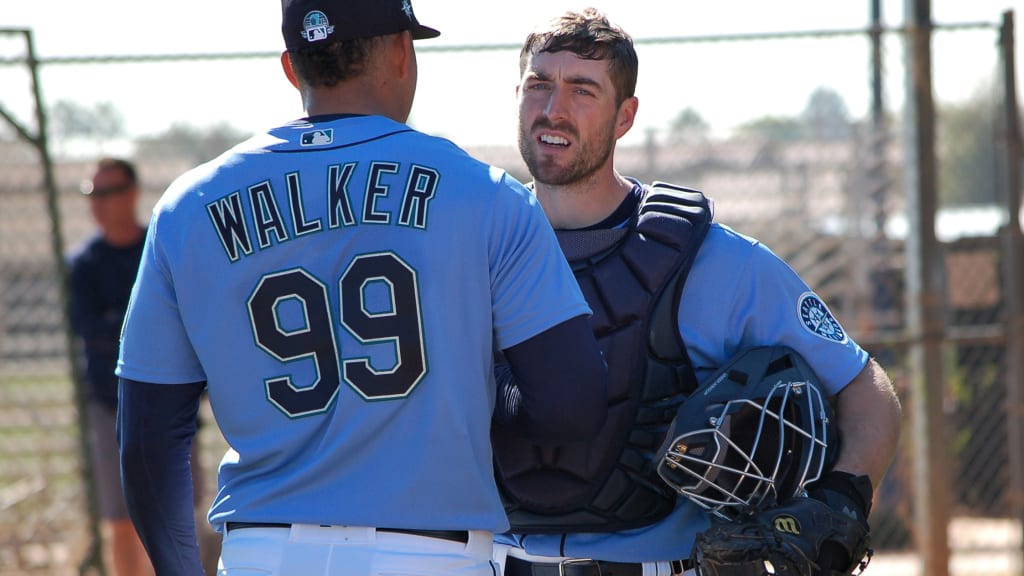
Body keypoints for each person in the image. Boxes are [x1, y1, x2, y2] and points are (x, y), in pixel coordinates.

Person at [114, 1, 609, 575]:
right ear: (401, 51)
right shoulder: (486, 194)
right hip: (430, 554)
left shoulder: (188, 206)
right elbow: (571, 404)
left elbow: (149, 439)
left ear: (291, 66)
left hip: (263, 555)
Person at [491, 8, 903, 576]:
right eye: (539, 85)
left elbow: (864, 386)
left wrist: (841, 501)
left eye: (583, 90)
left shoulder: (710, 260)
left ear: (625, 117)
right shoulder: (473, 248)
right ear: (517, 94)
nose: (554, 109)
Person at [69, 158, 220, 576]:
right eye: (91, 193)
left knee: (177, 518)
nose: (98, 203)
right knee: (120, 519)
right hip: (109, 403)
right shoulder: (85, 264)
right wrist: (147, 327)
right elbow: (92, 332)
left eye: (108, 192)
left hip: (171, 402)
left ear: (132, 193)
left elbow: (187, 318)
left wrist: (127, 322)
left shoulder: (156, 247)